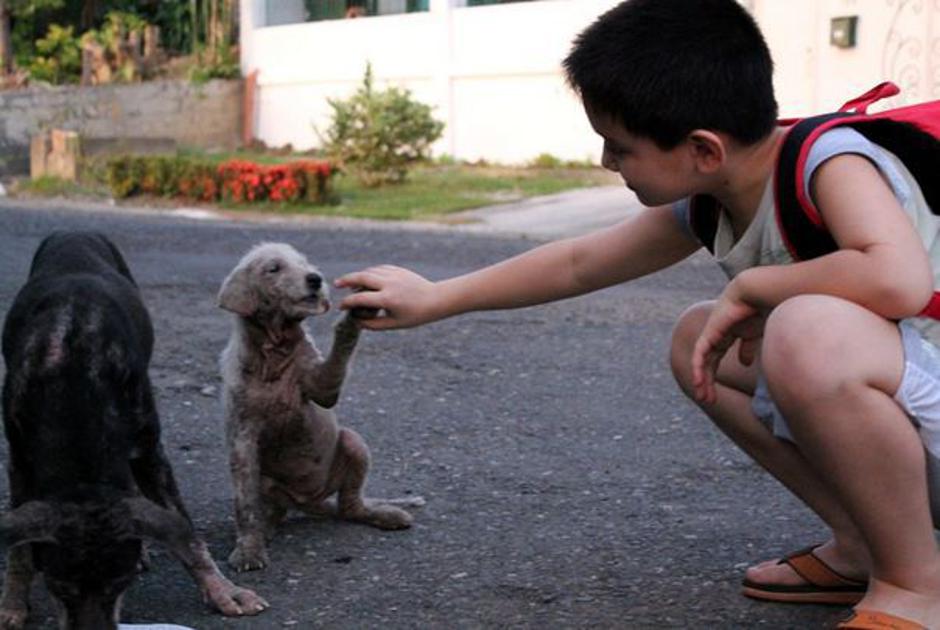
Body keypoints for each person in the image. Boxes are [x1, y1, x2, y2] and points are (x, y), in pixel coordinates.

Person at [335, 0, 940, 627]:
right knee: (695, 338)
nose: (607, 163)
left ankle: (915, 586)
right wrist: (438, 296)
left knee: (802, 330)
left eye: (618, 148)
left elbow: (897, 279)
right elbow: (580, 262)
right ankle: (865, 545)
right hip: (913, 415)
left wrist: (757, 287)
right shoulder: (714, 194)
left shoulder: (830, 164)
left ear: (704, 149)